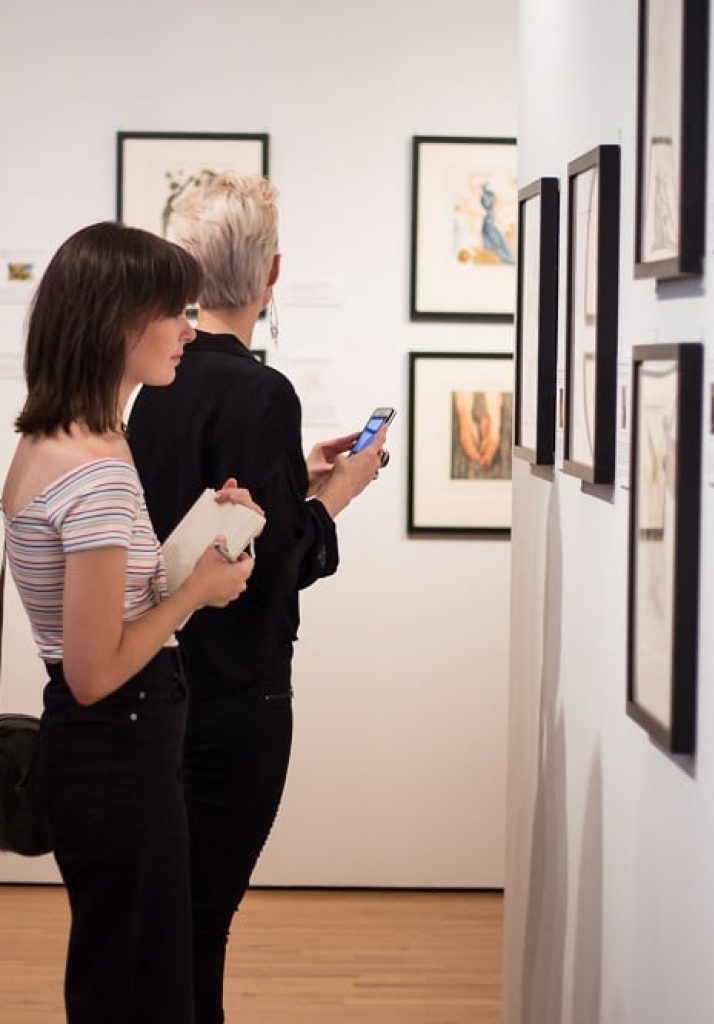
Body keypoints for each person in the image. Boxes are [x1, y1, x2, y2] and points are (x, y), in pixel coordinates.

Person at [127, 171, 385, 1023]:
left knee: (169, 925)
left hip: (156, 685)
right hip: (236, 697)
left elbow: (198, 510)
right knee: (201, 929)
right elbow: (272, 560)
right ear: (272, 274)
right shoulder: (261, 390)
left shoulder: (152, 381)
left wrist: (297, 477)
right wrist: (338, 493)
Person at [0, 221, 255, 1023]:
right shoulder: (98, 468)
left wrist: (190, 550)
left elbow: (99, 612)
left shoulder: (52, 439)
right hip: (117, 745)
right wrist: (196, 593)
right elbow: (96, 666)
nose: (189, 328)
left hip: (94, 749)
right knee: (141, 994)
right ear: (117, 321)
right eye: (173, 311)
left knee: (120, 976)